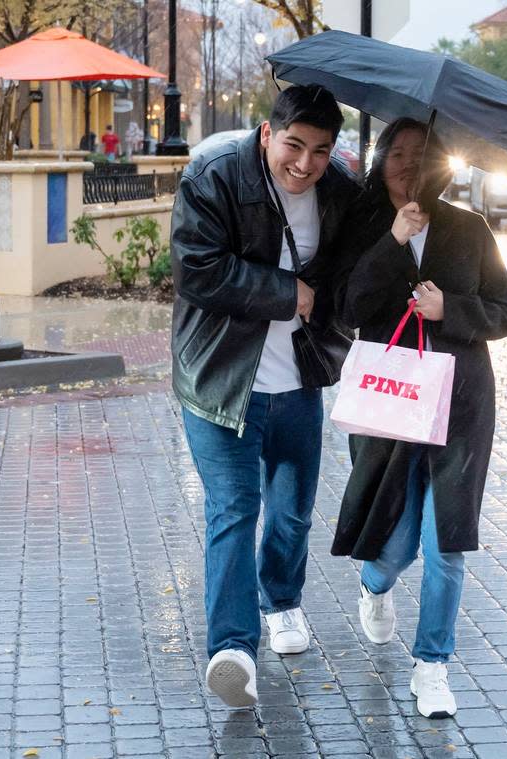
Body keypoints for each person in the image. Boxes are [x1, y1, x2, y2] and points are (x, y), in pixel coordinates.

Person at [169, 84, 359, 708]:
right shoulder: (216, 176)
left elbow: (362, 264)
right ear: (266, 134)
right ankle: (232, 651)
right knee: (233, 510)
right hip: (223, 382)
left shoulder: (338, 193)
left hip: (298, 382)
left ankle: (282, 600)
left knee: (293, 511)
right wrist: (289, 293)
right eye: (294, 145)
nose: (304, 164)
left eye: (321, 151)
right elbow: (196, 269)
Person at [332, 118, 507, 719]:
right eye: (398, 154)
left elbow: (505, 312)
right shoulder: (362, 226)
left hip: (460, 405)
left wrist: (449, 308)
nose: (409, 166)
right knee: (397, 545)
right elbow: (349, 307)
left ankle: (433, 665)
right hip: (389, 403)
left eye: (421, 156)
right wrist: (392, 241)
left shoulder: (469, 228)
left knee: (447, 547)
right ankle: (373, 585)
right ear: (381, 159)